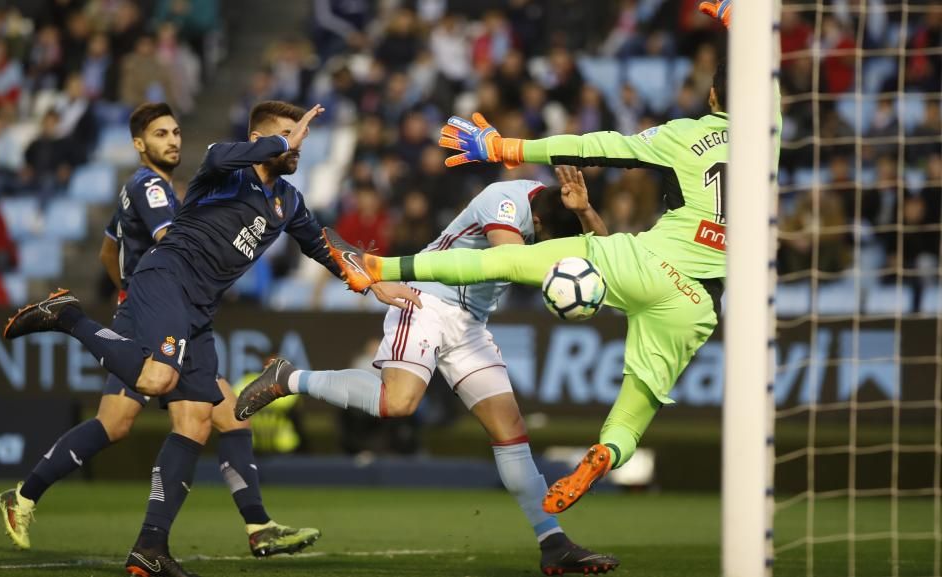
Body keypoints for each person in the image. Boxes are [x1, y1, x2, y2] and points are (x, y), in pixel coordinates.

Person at [313, 0, 772, 519]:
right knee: (637, 404)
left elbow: (596, 143)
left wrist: (506, 147)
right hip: (699, 301)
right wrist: (739, 23)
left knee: (507, 262)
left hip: (646, 259)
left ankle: (380, 267)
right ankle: (605, 455)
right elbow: (770, 87)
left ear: (712, 95)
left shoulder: (682, 136)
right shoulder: (769, 139)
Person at [2, 100, 419, 577]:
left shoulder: (288, 201)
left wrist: (374, 282)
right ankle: (68, 315)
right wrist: (285, 139)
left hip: (199, 308)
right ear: (261, 139)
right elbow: (223, 157)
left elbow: (324, 247)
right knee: (156, 381)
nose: (295, 144)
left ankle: (150, 548)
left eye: (296, 135)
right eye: (283, 135)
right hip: (167, 279)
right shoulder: (224, 167)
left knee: (202, 420)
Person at [235, 170, 619, 575]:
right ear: (537, 223)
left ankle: (553, 542)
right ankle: (288, 378)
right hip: (426, 300)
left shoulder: (554, 211)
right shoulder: (504, 200)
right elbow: (511, 260)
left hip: (471, 323)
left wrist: (588, 213)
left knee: (510, 429)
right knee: (398, 402)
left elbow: (608, 255)